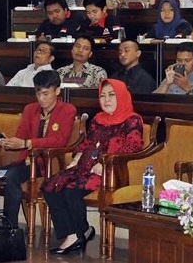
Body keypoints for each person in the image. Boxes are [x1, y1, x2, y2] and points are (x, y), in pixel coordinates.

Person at [43, 79, 143, 255]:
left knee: (70, 191)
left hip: (112, 171)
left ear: (121, 96)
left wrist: (105, 163)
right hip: (86, 166)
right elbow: (87, 143)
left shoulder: (132, 119)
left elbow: (133, 146)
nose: (106, 100)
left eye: (112, 95)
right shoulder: (98, 119)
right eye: (103, 96)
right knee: (51, 185)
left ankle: (77, 236)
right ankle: (77, 232)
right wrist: (76, 159)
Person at [0, 70, 76, 226]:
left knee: (11, 177)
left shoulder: (67, 110)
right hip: (27, 161)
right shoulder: (30, 109)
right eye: (38, 94)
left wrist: (27, 143)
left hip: (48, 164)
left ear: (57, 91)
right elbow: (21, 136)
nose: (41, 98)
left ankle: (10, 228)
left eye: (46, 94)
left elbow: (59, 141)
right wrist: (8, 142)